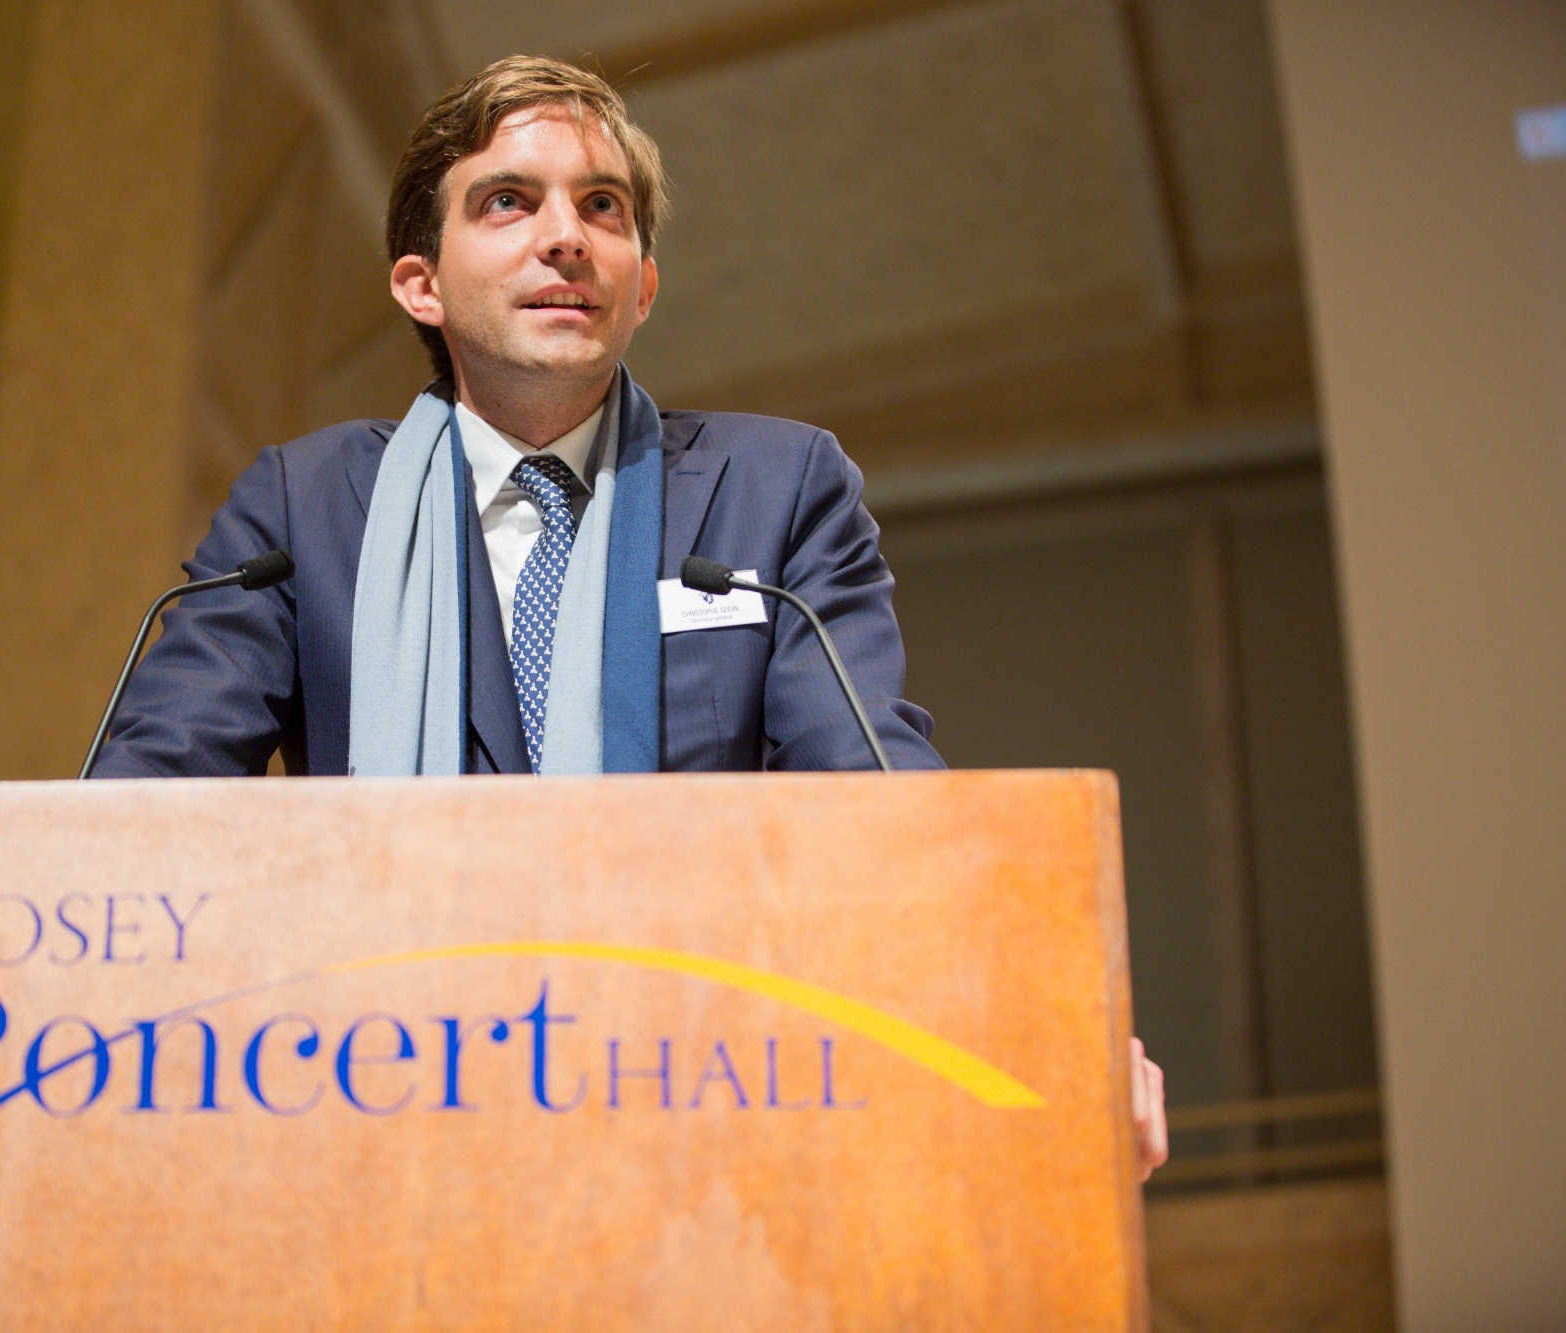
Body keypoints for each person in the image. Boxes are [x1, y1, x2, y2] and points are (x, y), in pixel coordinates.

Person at [90, 56, 1167, 1174]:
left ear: (640, 284)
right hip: (373, 1102)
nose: (566, 236)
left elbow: (874, 789)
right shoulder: (302, 507)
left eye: (601, 207)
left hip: (693, 1107)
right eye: (509, 201)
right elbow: (149, 796)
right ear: (420, 283)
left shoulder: (771, 488)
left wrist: (1042, 1007)